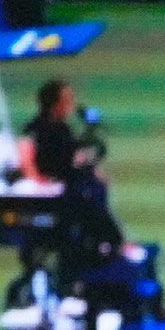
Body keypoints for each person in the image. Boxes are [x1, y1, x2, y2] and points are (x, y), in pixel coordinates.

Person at [18, 79, 128, 264]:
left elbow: (72, 155)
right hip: (62, 190)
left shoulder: (59, 128)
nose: (71, 104)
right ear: (55, 104)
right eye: (67, 99)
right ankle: (105, 249)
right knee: (92, 201)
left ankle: (104, 243)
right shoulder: (42, 129)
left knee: (95, 190)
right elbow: (55, 163)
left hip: (70, 184)